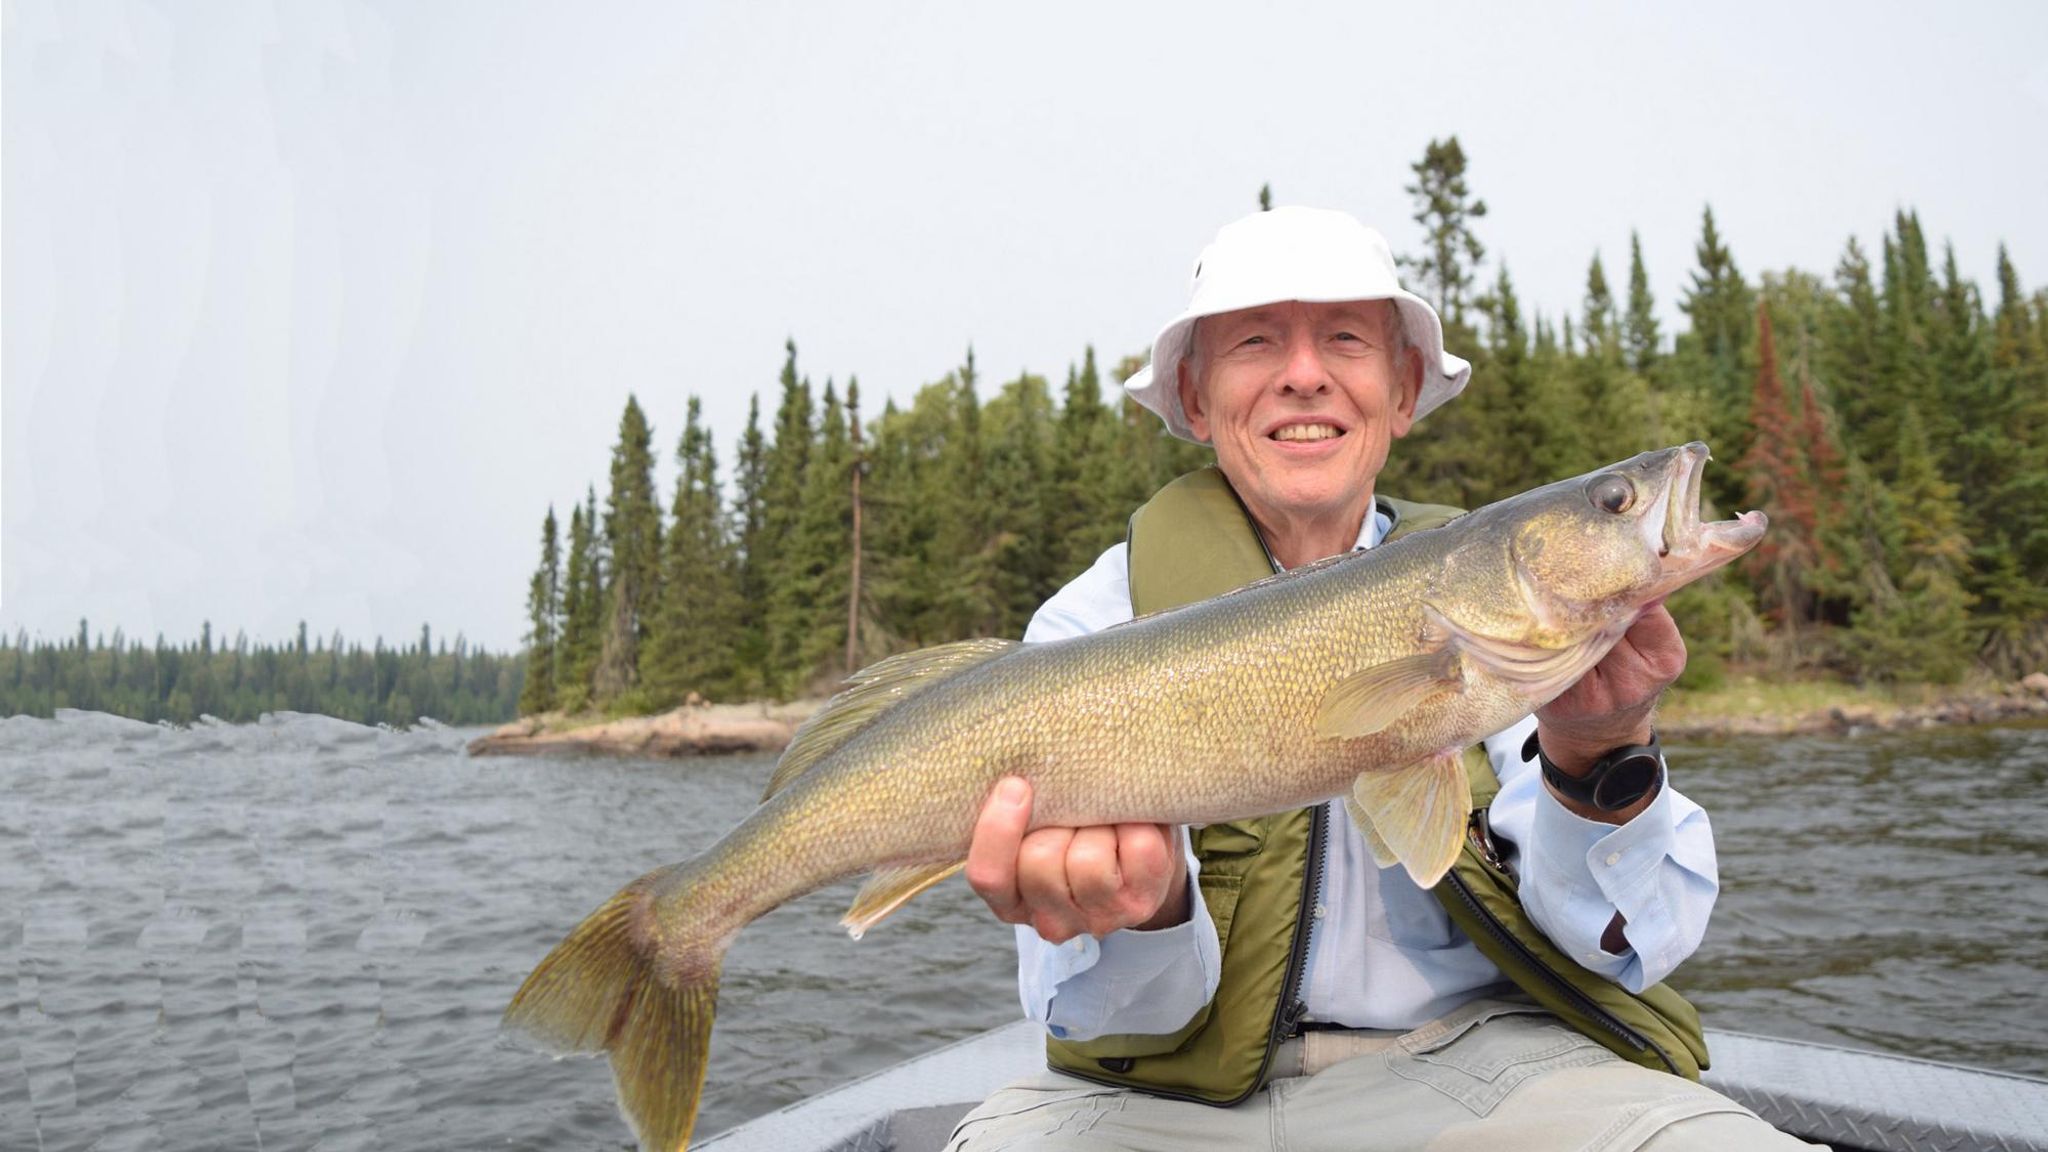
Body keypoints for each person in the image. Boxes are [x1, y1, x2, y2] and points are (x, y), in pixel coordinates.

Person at [943, 207, 1814, 1151]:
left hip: (1484, 1071)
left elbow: (1631, 945)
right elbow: (1101, 1015)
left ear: (1402, 391)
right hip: (1164, 1105)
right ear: (1194, 398)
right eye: (1255, 342)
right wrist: (1146, 911)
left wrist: (1600, 754)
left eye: (1346, 340)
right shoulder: (1085, 629)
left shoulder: (1495, 599)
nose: (1304, 374)